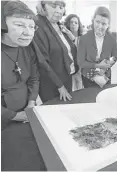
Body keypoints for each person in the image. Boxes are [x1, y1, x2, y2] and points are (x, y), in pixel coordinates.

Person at [1, 1, 46, 170]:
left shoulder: (27, 49)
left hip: (26, 113)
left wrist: (31, 103)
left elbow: (34, 78)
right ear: (3, 25)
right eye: (19, 25)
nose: (28, 32)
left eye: (32, 26)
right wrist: (15, 116)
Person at [35, 1, 79, 102]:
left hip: (67, 76)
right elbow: (42, 62)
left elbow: (67, 49)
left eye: (61, 7)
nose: (59, 10)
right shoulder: (39, 26)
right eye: (54, 6)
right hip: (53, 83)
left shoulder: (59, 25)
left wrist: (73, 40)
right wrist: (60, 85)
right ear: (43, 6)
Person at [77, 7, 117, 88]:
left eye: (104, 24)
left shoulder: (112, 39)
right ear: (93, 20)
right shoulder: (84, 39)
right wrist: (98, 66)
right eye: (97, 22)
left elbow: (114, 57)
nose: (100, 26)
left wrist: (107, 65)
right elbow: (81, 62)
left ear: (108, 25)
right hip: (88, 77)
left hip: (105, 75)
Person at [64, 14, 84, 91]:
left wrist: (73, 38)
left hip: (80, 68)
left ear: (79, 25)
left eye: (76, 23)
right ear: (68, 24)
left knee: (80, 86)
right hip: (69, 68)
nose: (73, 24)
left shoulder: (82, 38)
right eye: (71, 22)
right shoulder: (64, 37)